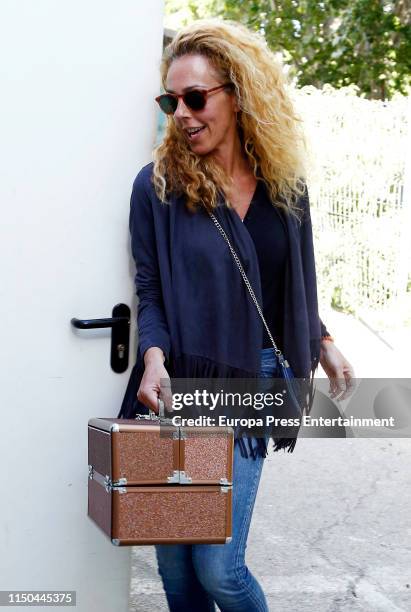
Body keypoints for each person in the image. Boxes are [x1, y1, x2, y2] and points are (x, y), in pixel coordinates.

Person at [118, 18, 355, 612]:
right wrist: (151, 359)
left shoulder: (284, 187)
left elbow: (292, 279)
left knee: (221, 569)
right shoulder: (158, 189)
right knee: (177, 573)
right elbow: (151, 290)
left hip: (253, 378)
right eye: (171, 101)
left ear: (238, 93)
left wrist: (320, 338)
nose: (182, 114)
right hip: (180, 382)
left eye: (195, 98)